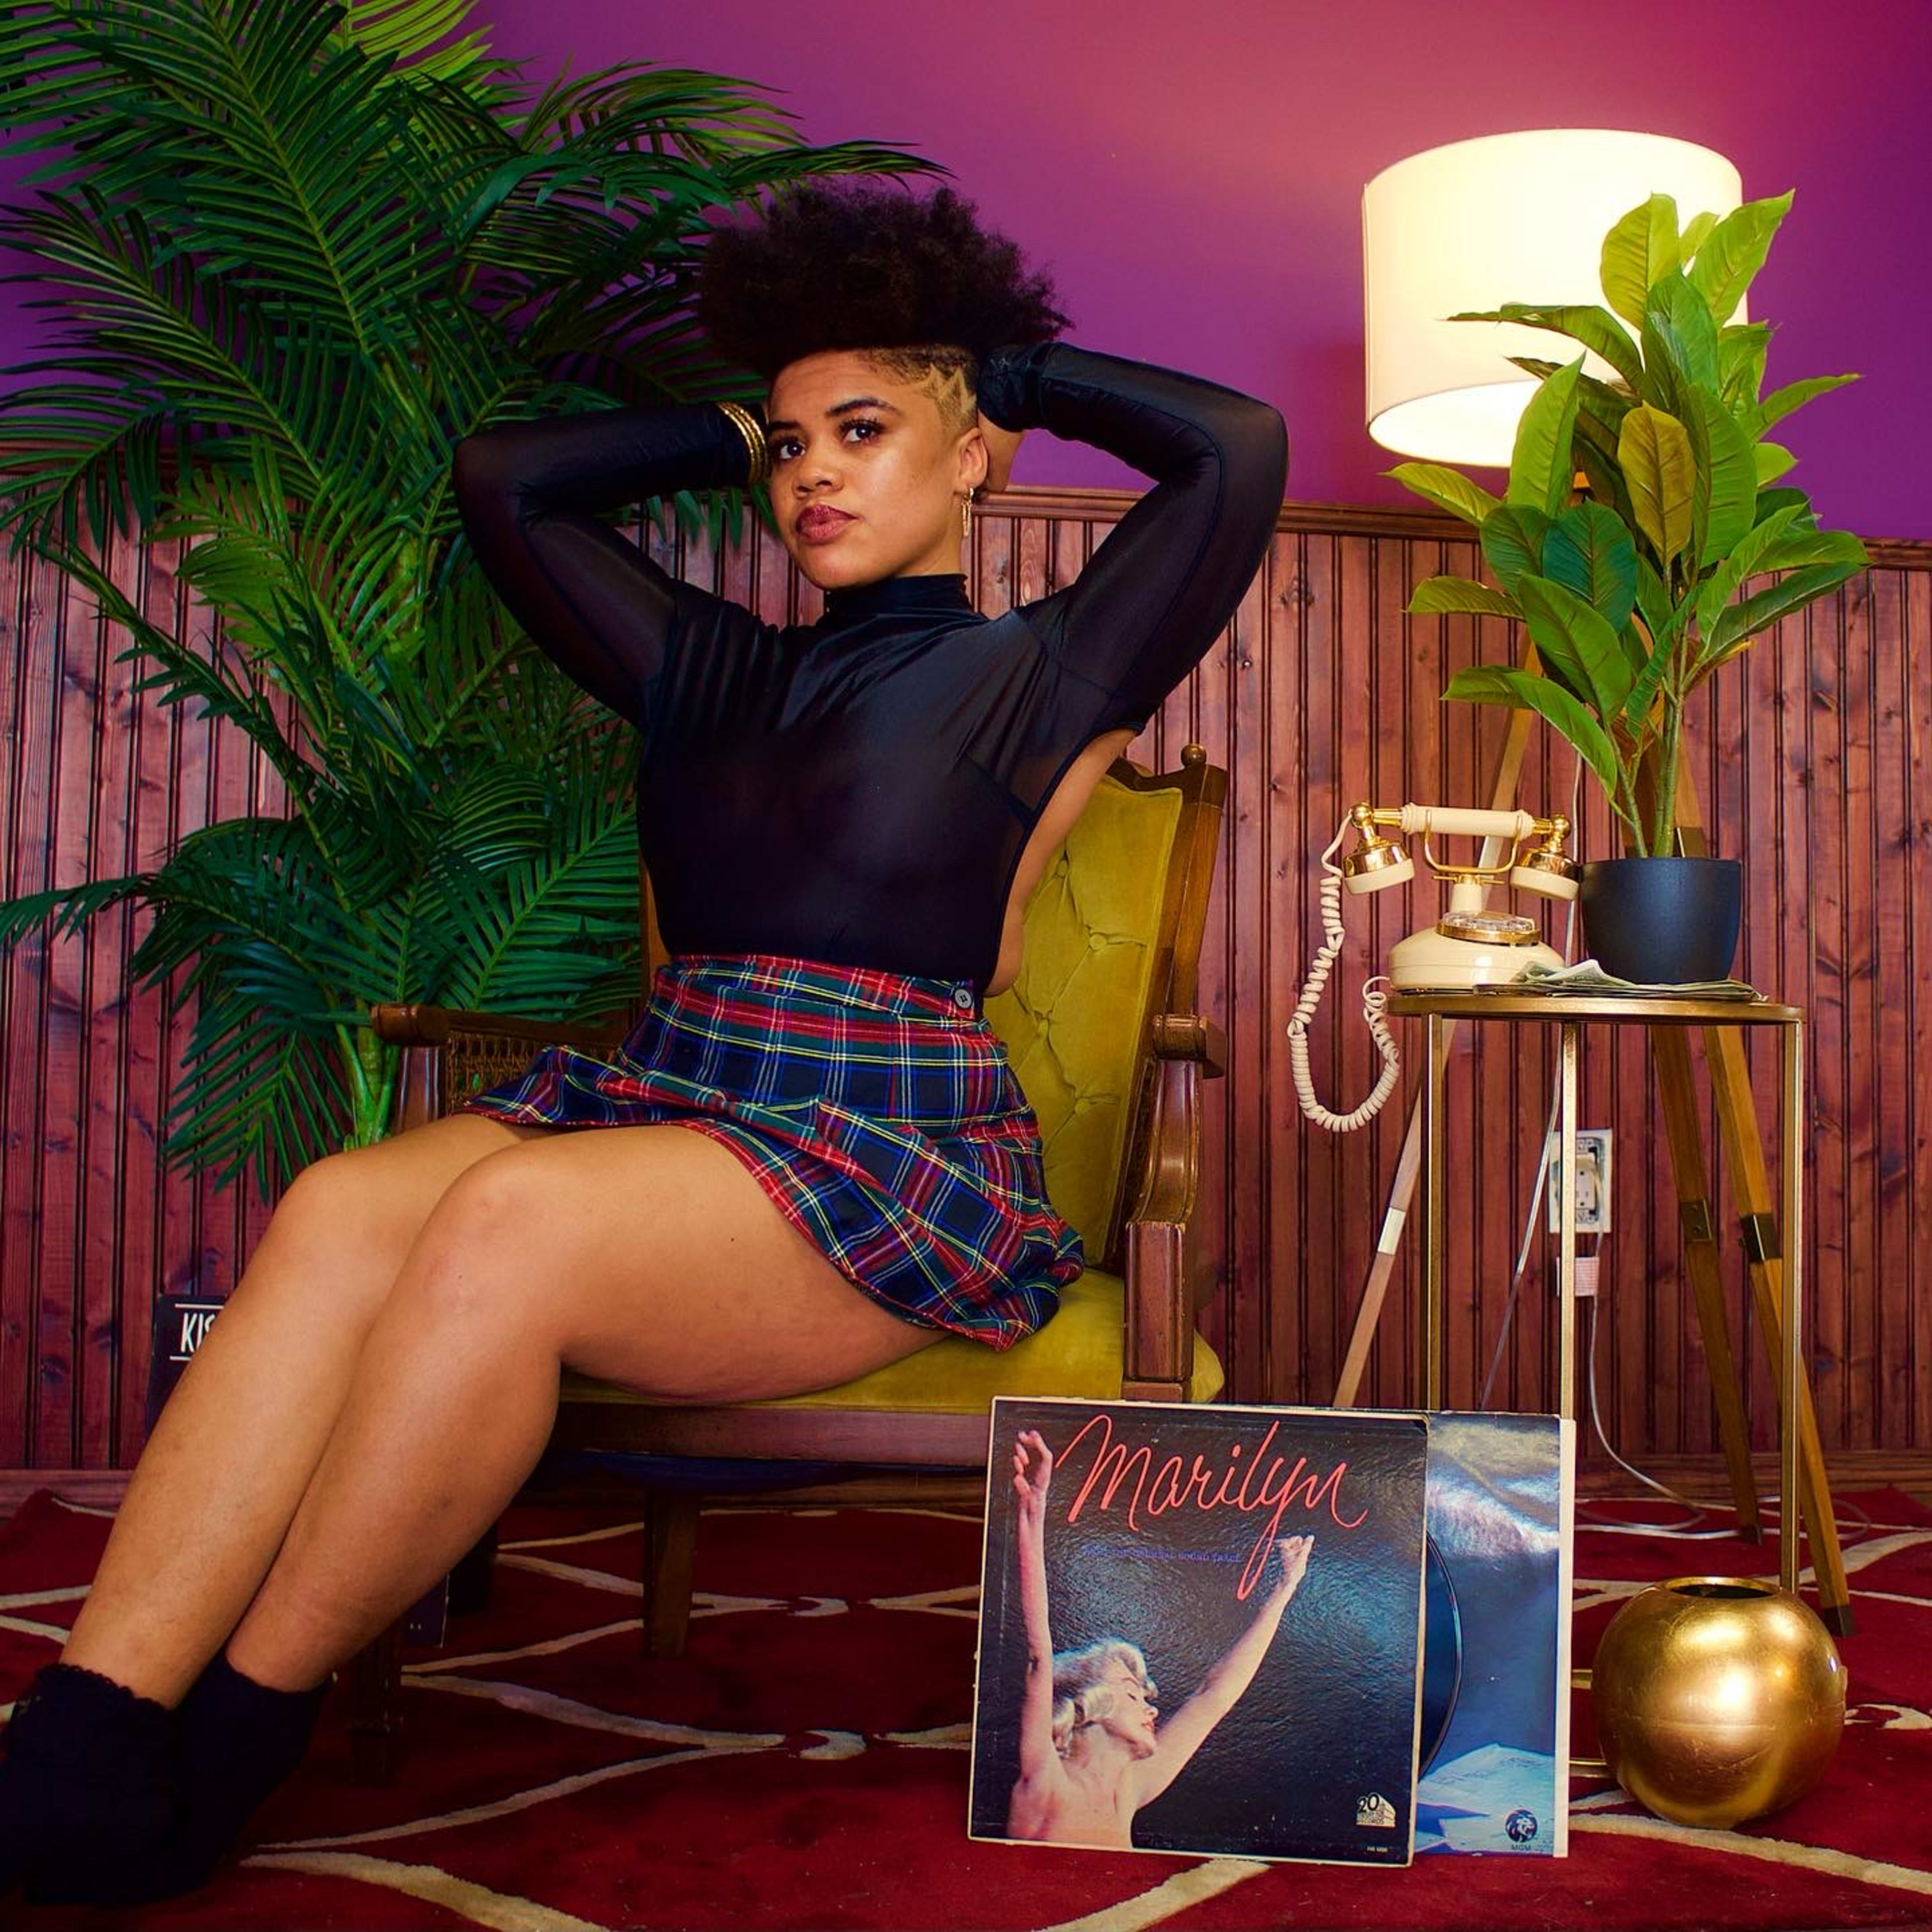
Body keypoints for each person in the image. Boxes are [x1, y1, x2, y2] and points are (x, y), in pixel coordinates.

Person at [0, 183, 1286, 1906]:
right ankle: (92, 1726)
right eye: (783, 446)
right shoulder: (701, 667)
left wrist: (1009, 368)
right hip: (666, 1084)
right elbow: (504, 481)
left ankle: (238, 1731)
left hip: (876, 1147)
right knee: (336, 1207)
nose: (810, 473)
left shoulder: (1043, 674)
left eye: (864, 429)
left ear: (972, 454)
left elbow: (1238, 449)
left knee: (503, 1226)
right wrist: (725, 415)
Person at [1004, 1428, 1313, 1849]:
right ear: (1088, 1708)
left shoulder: (1131, 1790)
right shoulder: (1045, 1782)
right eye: (1133, 1695)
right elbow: (1040, 1655)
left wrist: (1284, 1591)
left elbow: (1214, 1695)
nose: (1152, 1708)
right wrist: (1034, 1510)